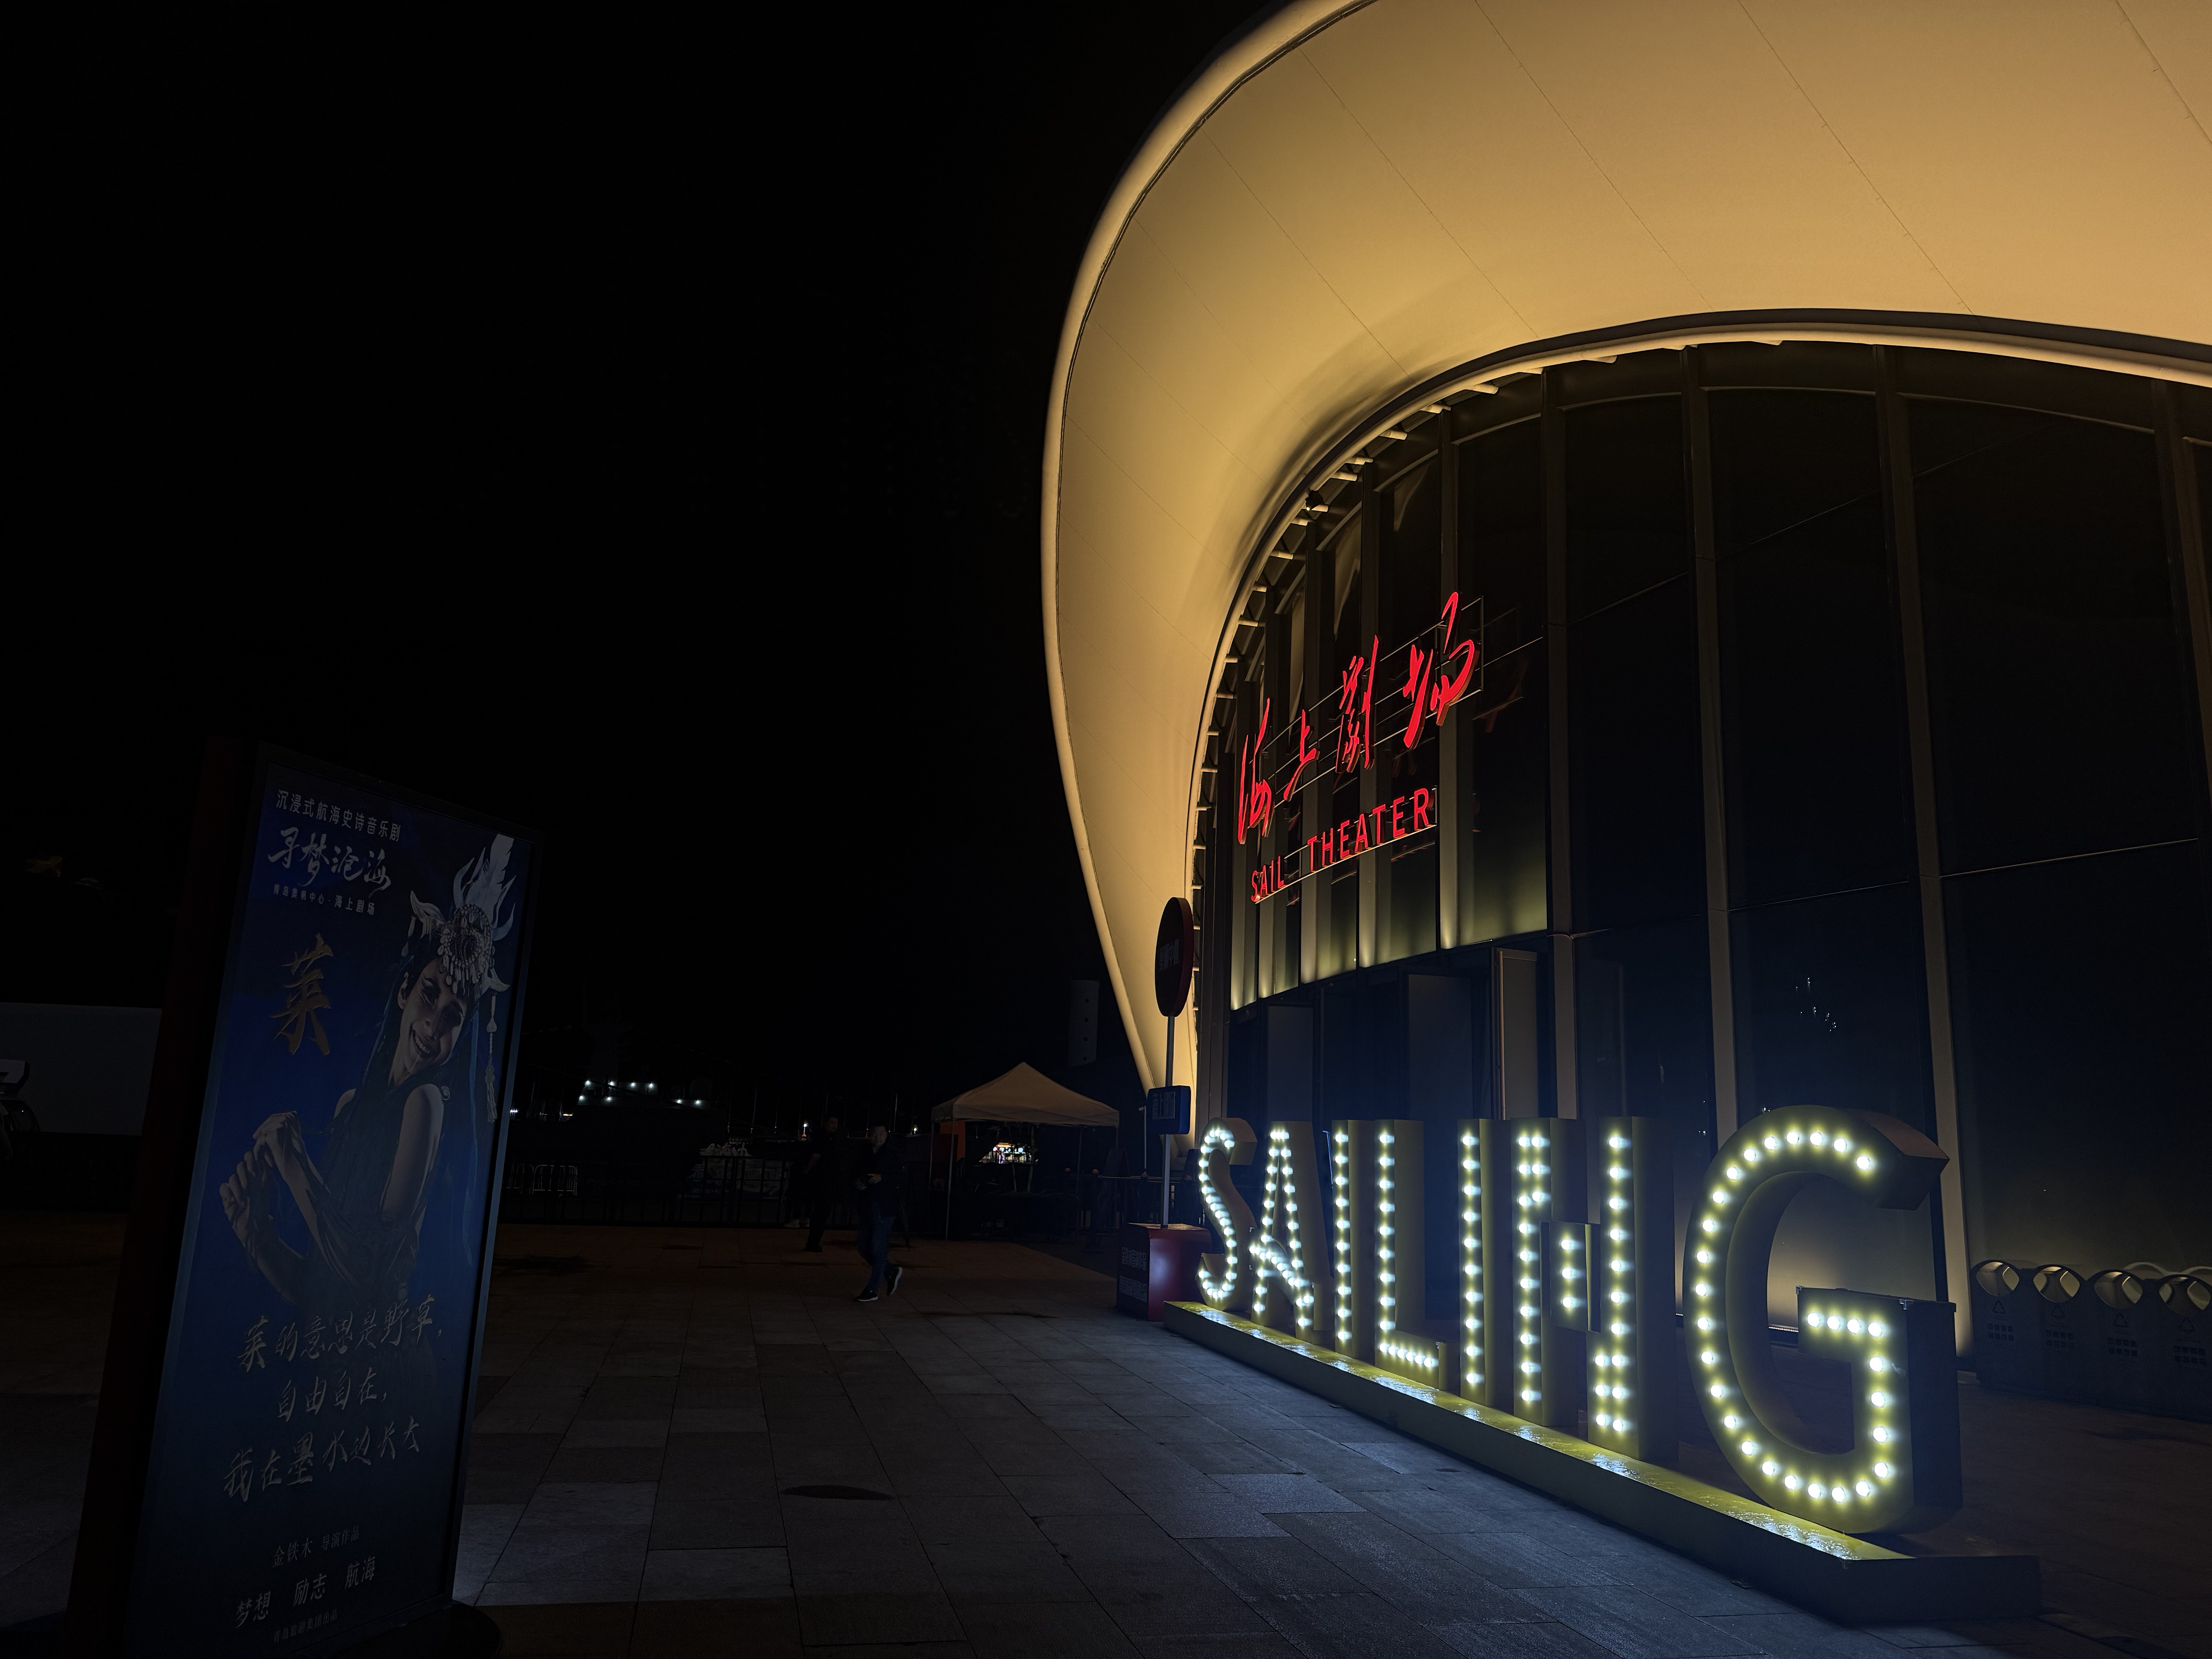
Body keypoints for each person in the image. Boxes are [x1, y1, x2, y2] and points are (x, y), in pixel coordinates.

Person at [218, 838, 516, 1322]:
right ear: (404, 990)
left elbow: (370, 1271)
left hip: (389, 1366)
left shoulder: (425, 1102)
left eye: (453, 1017)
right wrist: (258, 1231)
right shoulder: (350, 1105)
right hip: (342, 1365)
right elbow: (326, 1288)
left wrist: (295, 1165)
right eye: (429, 994)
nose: (434, 1027)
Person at [852, 1124, 906, 1302]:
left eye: (882, 1134)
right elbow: (855, 1171)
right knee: (862, 1245)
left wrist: (883, 1178)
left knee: (879, 1247)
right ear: (870, 1136)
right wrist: (859, 1182)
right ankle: (890, 1271)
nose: (879, 1138)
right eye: (876, 1134)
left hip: (884, 1206)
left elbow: (900, 1177)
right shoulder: (865, 1152)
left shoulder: (892, 1153)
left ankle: (872, 1289)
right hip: (868, 1203)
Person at [799, 1115, 842, 1251]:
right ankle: (813, 1242)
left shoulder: (825, 1137)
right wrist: (808, 1170)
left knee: (820, 1212)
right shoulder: (824, 1138)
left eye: (836, 1123)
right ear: (826, 1124)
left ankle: (813, 1241)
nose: (834, 1126)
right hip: (824, 1181)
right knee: (821, 1212)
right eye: (832, 1123)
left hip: (823, 1179)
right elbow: (816, 1156)